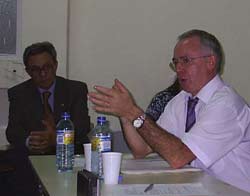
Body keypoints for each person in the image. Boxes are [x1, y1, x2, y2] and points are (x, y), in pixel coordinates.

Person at [88, 29, 250, 192]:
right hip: (199, 188)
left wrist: (132, 111)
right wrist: (124, 115)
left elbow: (178, 157)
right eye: (176, 62)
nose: (178, 69)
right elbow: (143, 148)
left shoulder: (226, 105)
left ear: (210, 62)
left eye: (186, 61)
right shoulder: (182, 99)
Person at [6, 41, 90, 155]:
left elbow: (82, 126)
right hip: (34, 156)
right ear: (28, 71)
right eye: (36, 69)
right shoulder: (18, 93)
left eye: (47, 67)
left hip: (70, 153)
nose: (43, 74)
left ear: (55, 65)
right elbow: (13, 131)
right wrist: (29, 141)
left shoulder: (75, 89)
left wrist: (57, 138)